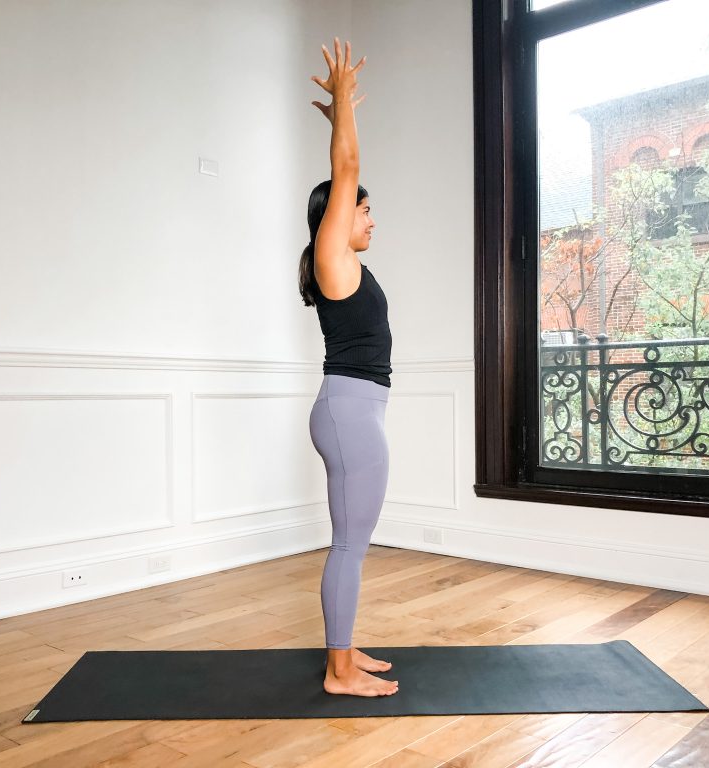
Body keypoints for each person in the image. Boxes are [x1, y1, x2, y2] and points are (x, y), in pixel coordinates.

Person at [300, 38, 398, 697]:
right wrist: (342, 109)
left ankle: (345, 649)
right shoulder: (332, 254)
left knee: (352, 540)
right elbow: (347, 165)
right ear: (337, 215)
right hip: (349, 410)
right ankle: (339, 673)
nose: (369, 218)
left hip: (355, 408)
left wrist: (339, 113)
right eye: (362, 207)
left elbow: (347, 171)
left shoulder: (342, 264)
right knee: (350, 545)